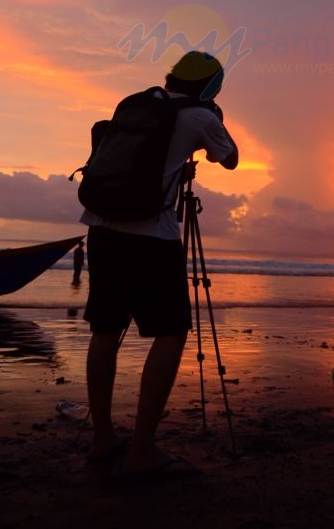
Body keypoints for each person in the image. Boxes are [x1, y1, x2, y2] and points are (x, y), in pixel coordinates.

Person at [80, 52, 239, 476]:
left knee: (105, 329)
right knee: (170, 332)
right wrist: (213, 119)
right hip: (151, 235)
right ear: (210, 87)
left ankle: (102, 439)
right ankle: (143, 450)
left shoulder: (134, 101)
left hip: (102, 227)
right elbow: (229, 158)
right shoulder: (200, 115)